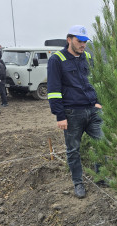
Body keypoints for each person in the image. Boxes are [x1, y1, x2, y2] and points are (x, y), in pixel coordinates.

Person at [47, 25, 102, 199]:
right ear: (69, 39)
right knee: (73, 150)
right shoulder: (57, 59)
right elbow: (53, 90)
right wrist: (60, 115)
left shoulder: (87, 57)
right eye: (79, 41)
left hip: (92, 110)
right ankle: (78, 183)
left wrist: (98, 101)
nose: (83, 45)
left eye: (85, 42)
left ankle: (101, 176)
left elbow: (94, 81)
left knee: (103, 142)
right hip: (72, 112)